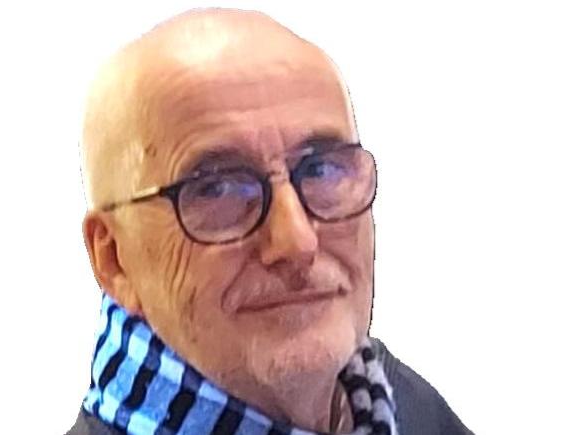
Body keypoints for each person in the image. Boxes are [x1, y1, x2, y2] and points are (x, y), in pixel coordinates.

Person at [68, 8, 471, 435]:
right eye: (217, 189)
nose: (297, 241)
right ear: (115, 258)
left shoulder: (401, 403)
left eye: (321, 170)